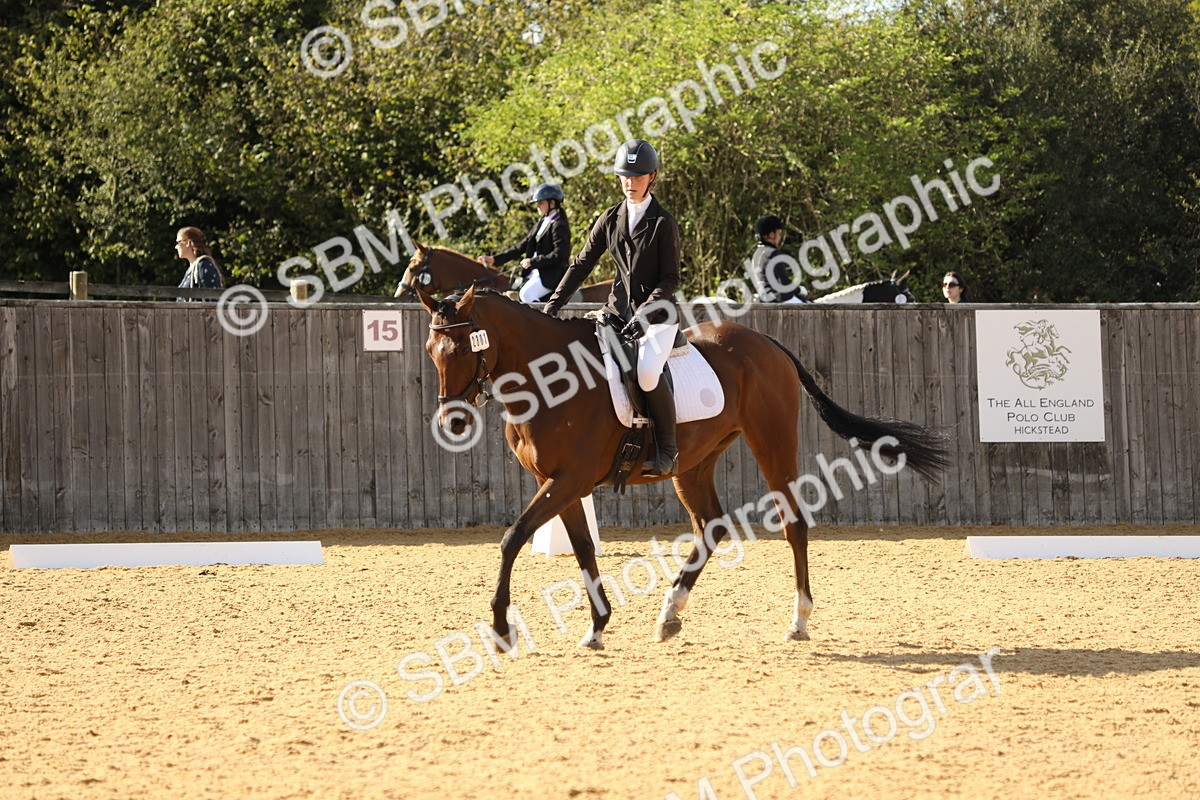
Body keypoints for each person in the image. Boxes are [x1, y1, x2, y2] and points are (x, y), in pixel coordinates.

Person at [543, 139, 681, 477]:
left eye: (637, 177)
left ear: (652, 177)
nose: (630, 183)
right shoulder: (610, 218)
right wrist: (553, 305)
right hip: (616, 313)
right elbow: (580, 265)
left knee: (646, 372)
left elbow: (670, 279)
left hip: (658, 315)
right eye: (624, 177)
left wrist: (644, 313)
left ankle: (668, 450)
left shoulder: (663, 223)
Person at [481, 183, 570, 304]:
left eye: (541, 203)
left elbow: (560, 254)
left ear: (552, 203)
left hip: (551, 276)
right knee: (512, 293)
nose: (537, 206)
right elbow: (520, 247)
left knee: (526, 295)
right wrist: (494, 259)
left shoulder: (559, 225)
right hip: (534, 274)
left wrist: (533, 261)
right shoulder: (542, 222)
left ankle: (543, 322)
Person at [748, 214, 807, 303]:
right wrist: (799, 290)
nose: (780, 237)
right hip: (779, 300)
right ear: (772, 235)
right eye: (779, 233)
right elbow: (784, 282)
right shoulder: (772, 253)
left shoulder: (756, 254)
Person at [176, 226, 225, 300]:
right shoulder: (192, 268)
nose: (176, 247)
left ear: (188, 243)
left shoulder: (203, 266)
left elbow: (211, 301)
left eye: (178, 242)